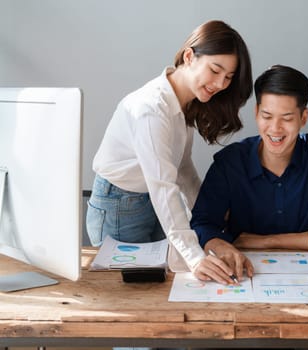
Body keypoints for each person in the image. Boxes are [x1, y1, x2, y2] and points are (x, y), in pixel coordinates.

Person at [86, 20, 253, 285]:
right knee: (129, 295)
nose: (220, 84)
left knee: (165, 283)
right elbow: (164, 187)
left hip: (151, 200)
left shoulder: (185, 103)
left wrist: (213, 215)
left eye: (228, 78)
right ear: (189, 56)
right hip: (120, 204)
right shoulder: (152, 108)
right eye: (215, 70)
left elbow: (183, 169)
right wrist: (195, 257)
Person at [191, 64, 308, 280]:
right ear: (256, 113)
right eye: (267, 116)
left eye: (287, 118)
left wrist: (266, 241)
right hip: (246, 275)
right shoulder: (230, 163)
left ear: (304, 117)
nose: (275, 128)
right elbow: (201, 225)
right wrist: (220, 245)